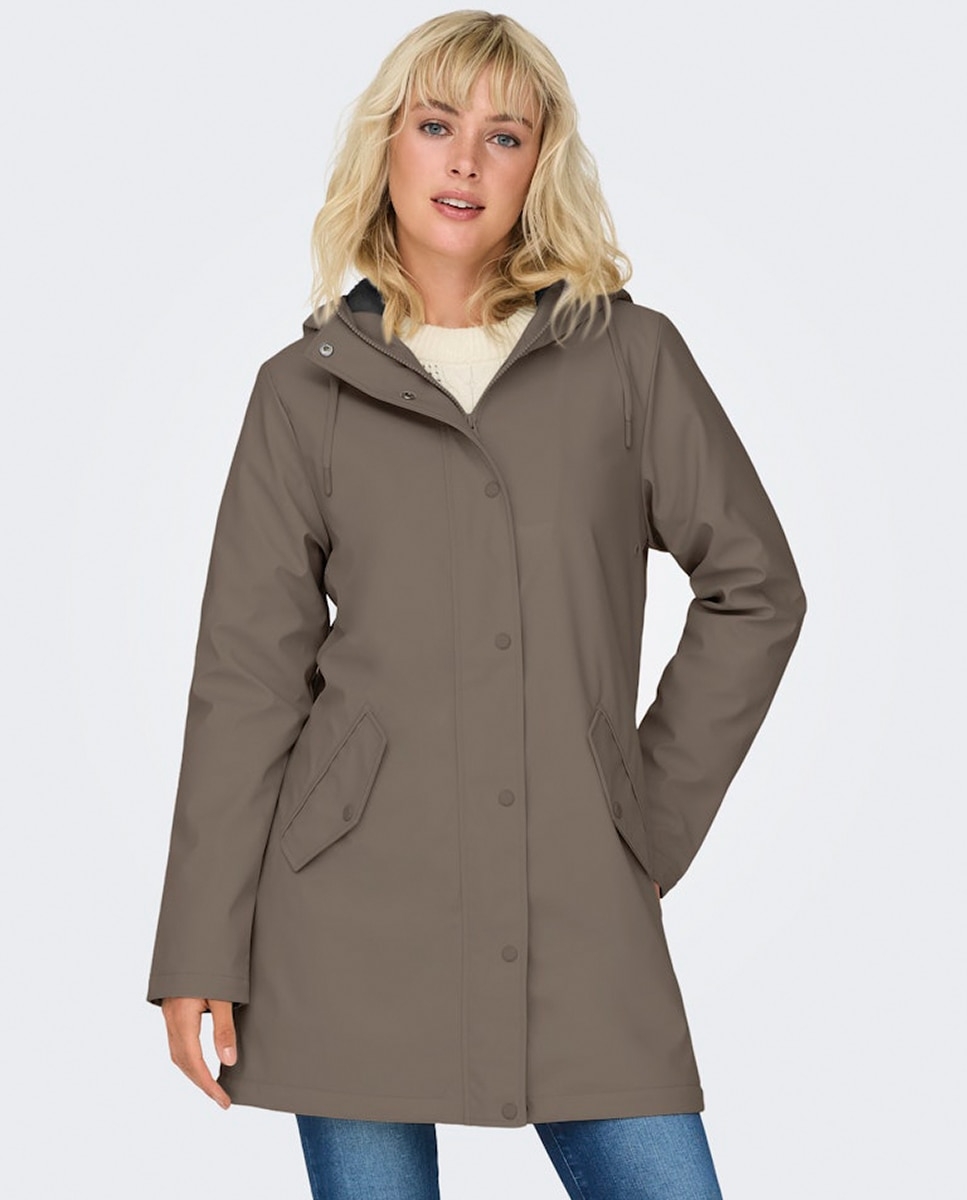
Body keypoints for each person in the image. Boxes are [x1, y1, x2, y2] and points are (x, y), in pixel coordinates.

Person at [146, 10, 807, 1199]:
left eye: (504, 136)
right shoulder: (302, 393)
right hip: (346, 919)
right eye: (435, 125)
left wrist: (644, 815)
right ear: (385, 145)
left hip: (578, 906)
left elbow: (755, 588)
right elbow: (246, 677)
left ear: (538, 165)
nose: (465, 160)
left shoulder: (628, 360)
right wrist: (199, 945)